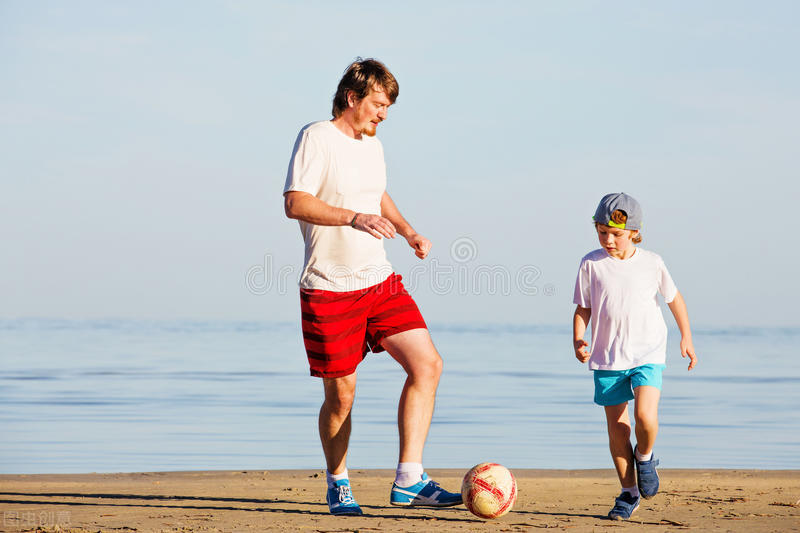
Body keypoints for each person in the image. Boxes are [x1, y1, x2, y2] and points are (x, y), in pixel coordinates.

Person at [283, 58, 462, 516]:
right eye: (378, 104)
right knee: (341, 396)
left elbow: (375, 193)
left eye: (387, 107)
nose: (383, 114)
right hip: (329, 288)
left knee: (428, 364)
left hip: (379, 282)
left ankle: (409, 479)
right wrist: (353, 218)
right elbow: (295, 202)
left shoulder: (372, 145)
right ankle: (338, 482)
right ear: (352, 98)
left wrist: (407, 229)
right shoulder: (316, 137)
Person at [572, 192, 698, 521]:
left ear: (634, 232)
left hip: (648, 352)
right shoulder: (591, 263)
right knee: (618, 429)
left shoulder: (652, 262)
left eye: (615, 233)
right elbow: (583, 307)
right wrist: (578, 338)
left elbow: (674, 299)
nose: (608, 240)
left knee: (645, 417)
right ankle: (628, 493)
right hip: (607, 357)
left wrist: (686, 335)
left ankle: (645, 456)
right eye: (602, 232)